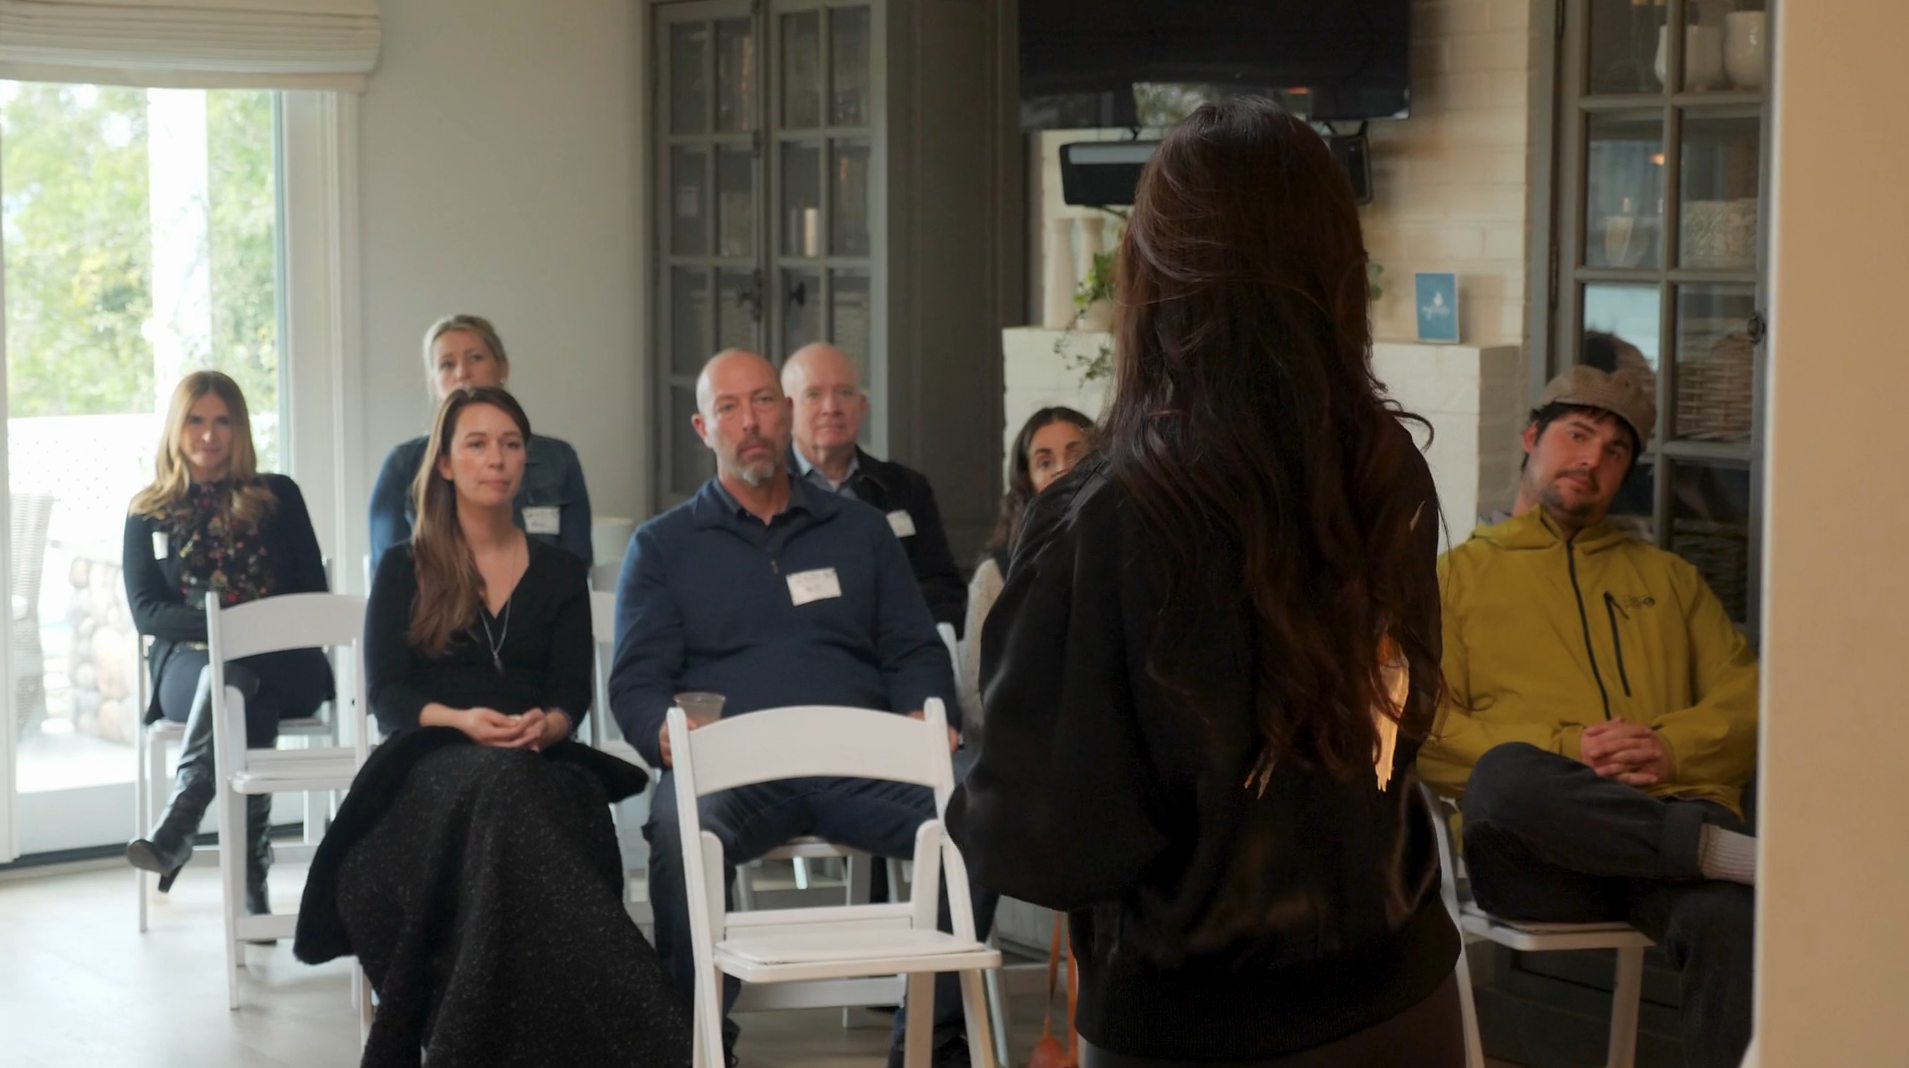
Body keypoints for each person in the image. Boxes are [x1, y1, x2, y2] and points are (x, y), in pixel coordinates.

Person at [947, 98, 1464, 1068]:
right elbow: (1401, 719)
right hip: (1402, 990)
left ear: (1157, 271)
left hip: (1196, 1023)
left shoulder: (1097, 516)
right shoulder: (1387, 467)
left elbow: (1038, 843)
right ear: (1332, 268)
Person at [610, 349, 993, 1068]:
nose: (750, 422)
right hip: (733, 778)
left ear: (785, 414)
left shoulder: (861, 532)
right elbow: (634, 683)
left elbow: (913, 647)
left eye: (762, 402)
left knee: (982, 811)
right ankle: (694, 1044)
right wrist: (665, 735)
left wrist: (924, 708)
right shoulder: (662, 547)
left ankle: (931, 1045)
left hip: (861, 768)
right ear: (703, 426)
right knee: (674, 829)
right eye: (729, 408)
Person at [294, 386, 688, 1066]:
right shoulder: (404, 566)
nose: (495, 459)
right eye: (476, 444)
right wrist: (460, 720)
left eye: (509, 445)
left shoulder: (562, 571)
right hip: (430, 761)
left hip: (539, 760)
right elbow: (386, 694)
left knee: (534, 793)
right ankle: (650, 1027)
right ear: (445, 463)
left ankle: (474, 1039)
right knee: (506, 788)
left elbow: (570, 696)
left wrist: (550, 723)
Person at [1418, 363, 1759, 1068]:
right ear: (1530, 437)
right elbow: (1423, 731)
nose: (1591, 460)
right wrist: (1569, 749)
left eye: (1614, 451)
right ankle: (1721, 853)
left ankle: (1707, 853)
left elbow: (1748, 702)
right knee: (1505, 775)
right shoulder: (1453, 580)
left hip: (1665, 842)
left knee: (1732, 919)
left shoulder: (1667, 580)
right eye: (1576, 435)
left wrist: (1666, 750)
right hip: (1541, 859)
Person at [123, 371, 335, 917]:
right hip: (189, 669)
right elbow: (146, 611)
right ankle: (249, 871)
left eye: (222, 421)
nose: (209, 435)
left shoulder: (278, 495)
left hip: (286, 662)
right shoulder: (147, 510)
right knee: (234, 683)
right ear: (176, 426)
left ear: (240, 428)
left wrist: (245, 634)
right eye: (196, 420)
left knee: (240, 677)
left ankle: (179, 827)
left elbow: (314, 594)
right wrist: (225, 631)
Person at [367, 314, 592, 572]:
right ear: (434, 385)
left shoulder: (557, 459)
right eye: (447, 365)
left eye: (475, 358)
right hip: (436, 607)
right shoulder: (403, 464)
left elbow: (577, 563)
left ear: (502, 368)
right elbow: (388, 574)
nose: (462, 373)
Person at [782, 341, 967, 634]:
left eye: (844, 393)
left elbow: (943, 587)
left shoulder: (905, 488)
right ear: (787, 410)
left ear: (861, 406)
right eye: (814, 395)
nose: (831, 408)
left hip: (897, 654)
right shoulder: (765, 493)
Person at [955, 406, 1092, 731]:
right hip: (1027, 750)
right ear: (1026, 482)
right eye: (1044, 462)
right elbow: (976, 697)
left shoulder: (1131, 556)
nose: (1062, 469)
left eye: (1076, 455)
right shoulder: (996, 576)